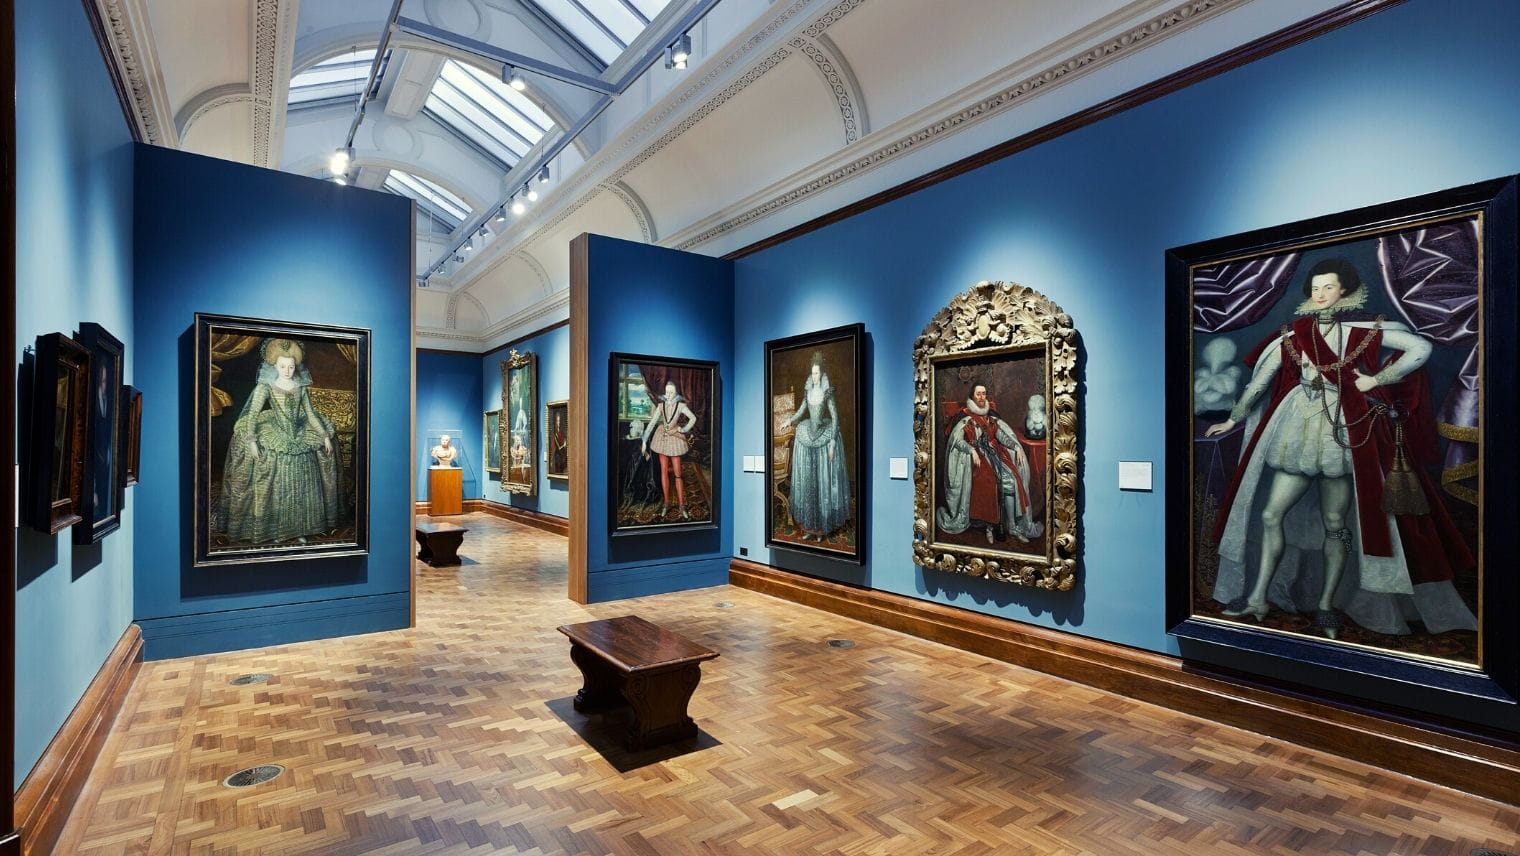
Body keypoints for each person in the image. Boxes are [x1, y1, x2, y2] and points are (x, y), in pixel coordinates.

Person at [1205, 258, 1476, 639]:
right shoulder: (1292, 333)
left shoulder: (1364, 329)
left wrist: (1378, 379)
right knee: (1270, 515)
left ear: (1344, 290)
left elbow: (1419, 348)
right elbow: (1260, 381)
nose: (1320, 295)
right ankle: (1258, 596)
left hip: (1345, 431)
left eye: (1328, 287)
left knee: (1336, 523)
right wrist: (1234, 418)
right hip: (1296, 428)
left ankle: (1326, 604)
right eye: (1315, 288)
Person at [216, 338, 340, 544]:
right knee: (278, 488)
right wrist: (252, 441)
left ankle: (299, 530)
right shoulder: (266, 386)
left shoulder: (301, 387)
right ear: (274, 365)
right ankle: (274, 532)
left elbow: (310, 414)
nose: (287, 370)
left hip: (299, 436)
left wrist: (324, 436)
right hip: (274, 435)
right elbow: (253, 415)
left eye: (291, 366)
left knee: (300, 488)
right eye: (283, 366)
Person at [936, 382, 1043, 544]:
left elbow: (1002, 436)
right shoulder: (966, 419)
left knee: (1012, 480)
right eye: (978, 394)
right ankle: (989, 526)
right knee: (989, 482)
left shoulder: (990, 418)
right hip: (976, 460)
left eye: (984, 393)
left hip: (996, 455)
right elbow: (957, 442)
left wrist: (1016, 446)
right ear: (972, 396)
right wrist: (971, 451)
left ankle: (1013, 527)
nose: (981, 397)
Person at [783, 353, 851, 541]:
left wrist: (832, 443)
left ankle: (821, 529)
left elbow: (835, 418)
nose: (814, 376)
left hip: (823, 436)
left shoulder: (827, 393)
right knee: (809, 483)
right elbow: (802, 411)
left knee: (822, 484)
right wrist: (789, 420)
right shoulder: (807, 392)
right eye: (812, 373)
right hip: (808, 436)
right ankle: (810, 528)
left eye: (817, 374)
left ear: (821, 375)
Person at [642, 381, 698, 519]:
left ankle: (681, 505)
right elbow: (652, 423)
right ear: (665, 393)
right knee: (664, 472)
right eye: (667, 392)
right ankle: (667, 503)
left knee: (678, 474)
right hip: (662, 438)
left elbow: (693, 418)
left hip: (675, 438)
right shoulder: (660, 406)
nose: (669, 394)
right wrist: (644, 440)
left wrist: (683, 429)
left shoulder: (681, 406)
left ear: (676, 393)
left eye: (672, 392)